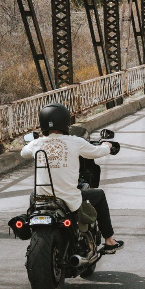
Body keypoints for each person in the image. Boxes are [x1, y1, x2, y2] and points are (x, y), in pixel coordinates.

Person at [22, 103, 124, 253]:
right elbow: (96, 152)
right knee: (99, 195)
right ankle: (109, 240)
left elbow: (23, 152)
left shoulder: (37, 143)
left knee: (32, 196)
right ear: (65, 122)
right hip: (67, 198)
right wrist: (108, 146)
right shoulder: (74, 141)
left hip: (43, 199)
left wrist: (36, 141)